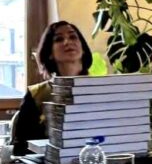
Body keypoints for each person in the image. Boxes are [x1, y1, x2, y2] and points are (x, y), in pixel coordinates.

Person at [11, 21, 93, 155]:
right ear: (50, 53)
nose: (67, 42)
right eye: (59, 39)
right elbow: (21, 148)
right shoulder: (36, 95)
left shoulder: (102, 90)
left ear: (83, 48)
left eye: (73, 37)